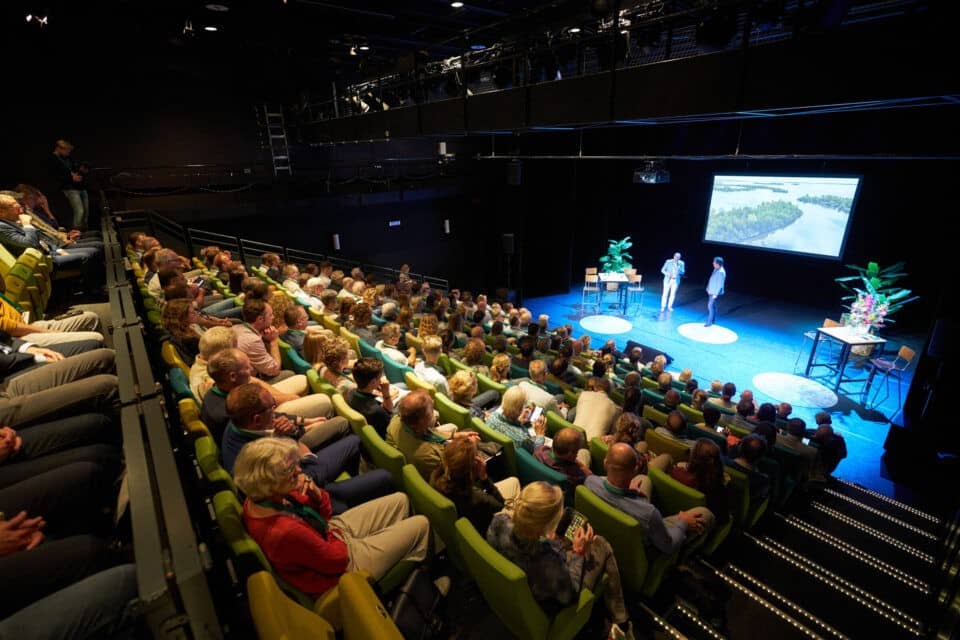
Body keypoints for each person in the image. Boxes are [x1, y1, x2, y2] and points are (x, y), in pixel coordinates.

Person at [233, 437, 430, 599]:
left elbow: (323, 514)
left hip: (328, 532)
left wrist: (316, 495)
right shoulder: (284, 532)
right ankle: (422, 581)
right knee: (422, 524)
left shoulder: (261, 496)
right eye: (290, 470)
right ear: (270, 482)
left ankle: (401, 552)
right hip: (342, 568)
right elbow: (337, 560)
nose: (299, 471)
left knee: (401, 500)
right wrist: (343, 539)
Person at [486, 482, 634, 638]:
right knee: (601, 544)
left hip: (522, 579)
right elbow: (570, 595)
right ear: (547, 525)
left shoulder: (499, 521)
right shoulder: (548, 563)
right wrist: (578, 552)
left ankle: (621, 620)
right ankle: (622, 622)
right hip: (549, 597)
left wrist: (551, 541)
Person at [429, 437, 520, 534]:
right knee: (515, 487)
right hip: (485, 528)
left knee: (513, 481)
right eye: (476, 455)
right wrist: (484, 478)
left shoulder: (436, 476)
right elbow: (499, 505)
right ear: (472, 467)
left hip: (462, 516)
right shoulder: (476, 497)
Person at [49, 140, 90, 231]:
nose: (68, 153)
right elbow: (55, 176)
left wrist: (80, 171)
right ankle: (77, 233)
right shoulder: (52, 159)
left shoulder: (67, 158)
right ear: (59, 148)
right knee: (79, 211)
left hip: (79, 186)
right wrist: (71, 178)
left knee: (85, 212)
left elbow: (72, 170)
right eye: (67, 150)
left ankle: (85, 232)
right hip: (69, 188)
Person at [705, 256, 726, 327]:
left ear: (718, 264)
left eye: (714, 262)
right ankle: (713, 320)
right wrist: (708, 287)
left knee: (710, 306)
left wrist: (716, 294)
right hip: (711, 290)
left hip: (715, 292)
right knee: (713, 306)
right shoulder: (716, 269)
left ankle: (709, 322)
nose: (713, 263)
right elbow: (712, 279)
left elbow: (720, 285)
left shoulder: (721, 272)